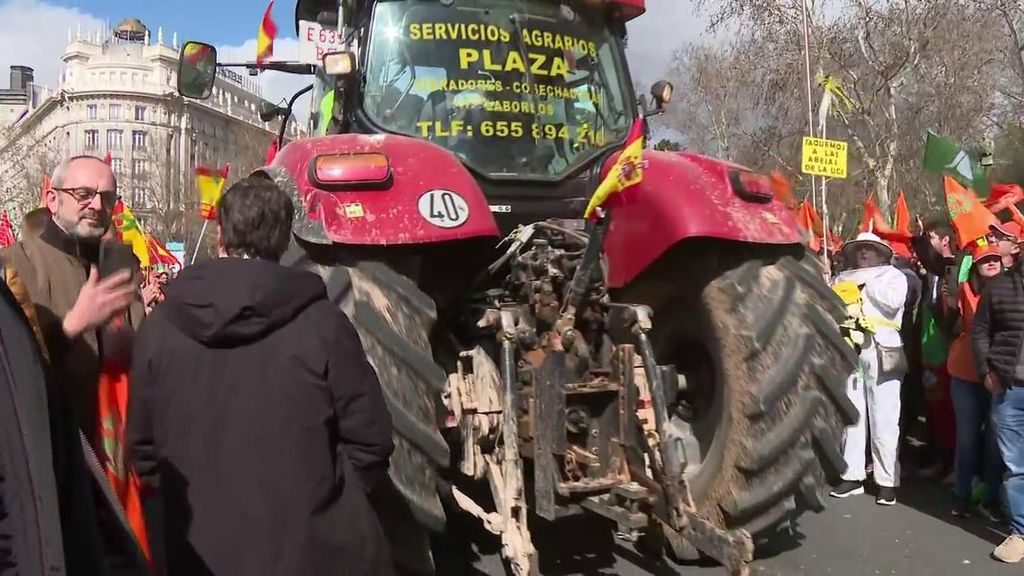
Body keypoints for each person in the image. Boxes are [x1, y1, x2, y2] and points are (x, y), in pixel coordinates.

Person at [127, 177, 395, 576]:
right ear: (286, 240)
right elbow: (370, 441)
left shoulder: (160, 327)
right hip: (313, 554)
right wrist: (324, 503)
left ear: (220, 235)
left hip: (199, 553)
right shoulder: (324, 325)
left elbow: (143, 452)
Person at [0, 155, 150, 573]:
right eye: (83, 194)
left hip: (123, 472)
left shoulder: (122, 265)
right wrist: (71, 328)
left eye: (107, 197)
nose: (96, 205)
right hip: (54, 470)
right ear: (52, 198)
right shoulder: (14, 265)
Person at [830, 232, 909, 505]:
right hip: (851, 349)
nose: (864, 254)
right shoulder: (843, 277)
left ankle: (886, 481)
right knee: (852, 416)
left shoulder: (894, 277)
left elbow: (893, 302)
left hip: (883, 350)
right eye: (860, 249)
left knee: (885, 417)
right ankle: (851, 475)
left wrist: (866, 284)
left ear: (881, 253)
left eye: (869, 249)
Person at [971, 244, 1024, 563]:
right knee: (1017, 468)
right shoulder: (1001, 287)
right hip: (1009, 390)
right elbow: (980, 330)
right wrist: (985, 371)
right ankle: (1019, 532)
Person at [947, 244, 1005, 520]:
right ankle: (962, 495)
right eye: (985, 260)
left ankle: (991, 498)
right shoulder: (965, 291)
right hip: (966, 374)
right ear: (976, 268)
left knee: (996, 440)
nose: (991, 263)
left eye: (995, 259)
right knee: (967, 437)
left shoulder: (1013, 291)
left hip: (999, 377)